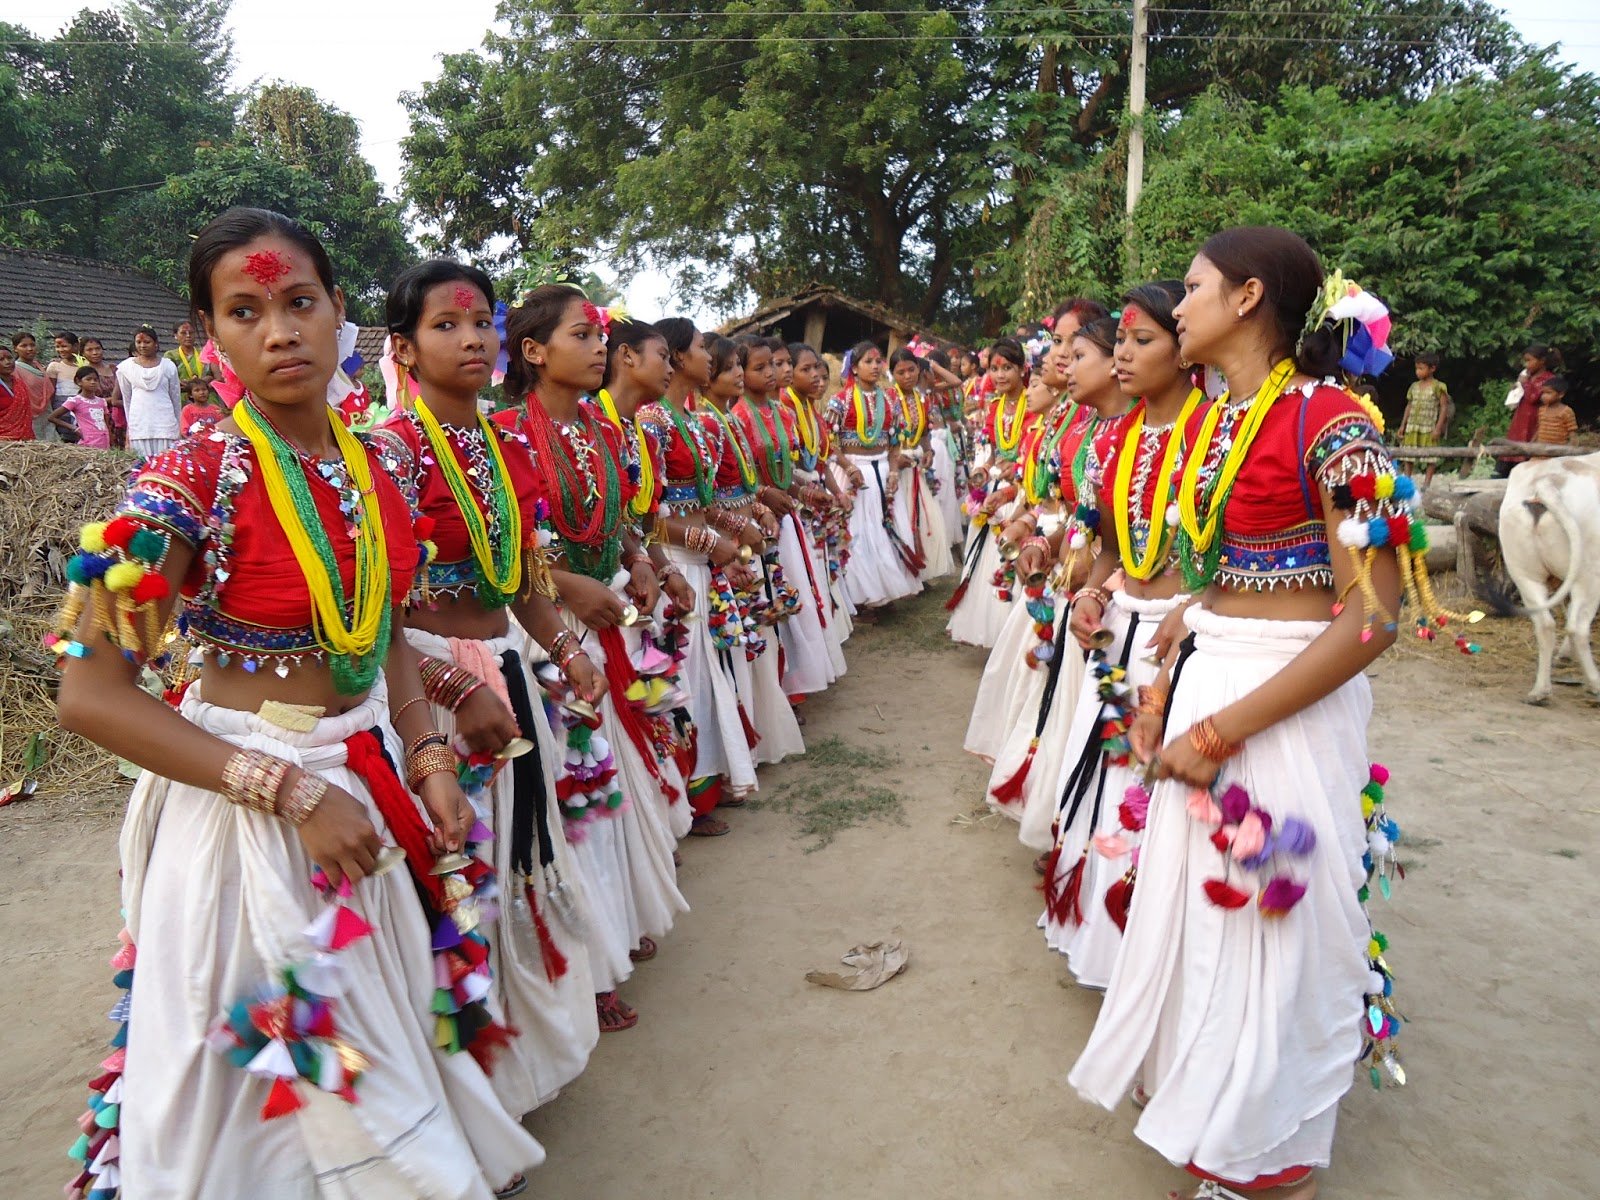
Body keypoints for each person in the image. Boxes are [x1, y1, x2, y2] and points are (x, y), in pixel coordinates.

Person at [53, 206, 544, 1199]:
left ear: (341, 317)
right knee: (249, 1093)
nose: (277, 330)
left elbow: (379, 637)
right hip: (250, 812)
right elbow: (90, 694)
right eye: (243, 311)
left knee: (376, 1032)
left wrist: (428, 751)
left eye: (297, 302)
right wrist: (287, 790)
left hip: (364, 786)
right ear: (209, 336)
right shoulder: (186, 482)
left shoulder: (380, 464)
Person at [1068, 226, 1433, 1200]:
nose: (1173, 308)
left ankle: (1269, 1157)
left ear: (1245, 298)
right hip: (1212, 680)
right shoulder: (1216, 421)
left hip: (1283, 705)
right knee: (1213, 926)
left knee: (1283, 935)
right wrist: (1167, 686)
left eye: (1189, 290)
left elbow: (1373, 617)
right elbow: (1217, 580)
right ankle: (1224, 1124)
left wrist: (1221, 730)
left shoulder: (1333, 422)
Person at [371, 259, 609, 1118]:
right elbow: (375, 621)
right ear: (403, 346)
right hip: (428, 691)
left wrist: (564, 643)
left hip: (504, 666)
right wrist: (447, 686)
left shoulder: (505, 444)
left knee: (516, 858)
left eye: (482, 324)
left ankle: (521, 1060)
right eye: (446, 325)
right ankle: (468, 1098)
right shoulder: (384, 455)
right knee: (455, 879)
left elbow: (522, 576)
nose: (472, 338)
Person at [494, 284, 688, 1035]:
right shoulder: (506, 433)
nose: (598, 346)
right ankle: (591, 962)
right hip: (544, 637)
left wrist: (637, 558)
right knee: (572, 799)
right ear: (535, 352)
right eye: (583, 335)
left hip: (606, 624)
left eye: (598, 335)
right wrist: (566, 585)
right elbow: (503, 552)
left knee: (615, 792)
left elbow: (626, 522)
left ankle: (618, 926)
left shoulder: (610, 434)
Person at [1043, 283, 1203, 987]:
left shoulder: (1217, 431)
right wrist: (1089, 590)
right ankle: (1108, 948)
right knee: (1112, 790)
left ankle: (1156, 967)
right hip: (1119, 630)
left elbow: (1229, 560)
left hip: (1182, 644)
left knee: (1163, 804)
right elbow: (1109, 545)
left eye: (1144, 343)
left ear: (1185, 349)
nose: (1124, 358)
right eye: (1124, 344)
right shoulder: (1121, 438)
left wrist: (1190, 610)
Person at [644, 318, 762, 836]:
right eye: (697, 348)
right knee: (682, 683)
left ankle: (704, 790)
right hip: (673, 565)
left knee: (704, 678)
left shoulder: (692, 422)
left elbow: (704, 502)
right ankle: (684, 801)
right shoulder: (652, 422)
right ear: (673, 356)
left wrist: (735, 533)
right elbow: (645, 515)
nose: (708, 357)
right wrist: (707, 543)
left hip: (700, 564)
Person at [733, 335, 845, 700]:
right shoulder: (737, 418)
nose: (771, 373)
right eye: (760, 367)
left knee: (795, 593)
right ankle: (780, 690)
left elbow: (787, 470)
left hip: (788, 519)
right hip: (758, 522)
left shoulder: (783, 412)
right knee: (770, 598)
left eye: (775, 365)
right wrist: (765, 495)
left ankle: (798, 681)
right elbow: (738, 481)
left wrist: (805, 492)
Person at [946, 336, 1033, 648]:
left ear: (1023, 370)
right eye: (995, 368)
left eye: (1007, 367)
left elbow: (1032, 455)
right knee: (986, 560)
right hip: (995, 487)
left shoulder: (1034, 405)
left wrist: (1014, 478)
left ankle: (1008, 637)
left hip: (1021, 492)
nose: (1000, 375)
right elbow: (995, 452)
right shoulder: (994, 406)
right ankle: (986, 630)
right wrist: (982, 471)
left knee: (1008, 558)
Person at [825, 340, 922, 612]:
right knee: (857, 533)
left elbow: (895, 442)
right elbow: (830, 443)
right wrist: (848, 466)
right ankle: (862, 597)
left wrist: (893, 470)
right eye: (868, 362)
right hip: (854, 472)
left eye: (878, 361)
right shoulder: (840, 401)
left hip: (881, 470)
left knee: (884, 528)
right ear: (854, 368)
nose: (875, 366)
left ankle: (884, 592)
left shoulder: (890, 399)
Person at [117, 325, 182, 458]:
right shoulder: (126, 368)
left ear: (156, 344)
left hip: (165, 424)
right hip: (140, 425)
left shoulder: (168, 366)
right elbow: (127, 399)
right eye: (139, 342)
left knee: (166, 464)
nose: (142, 346)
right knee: (141, 467)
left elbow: (175, 398)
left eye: (147, 342)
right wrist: (131, 428)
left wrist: (178, 426)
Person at [1498, 343, 1559, 477]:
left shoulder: (1549, 379)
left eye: (1529, 360)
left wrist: (1525, 383)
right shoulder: (1528, 377)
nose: (1526, 365)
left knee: (1527, 454)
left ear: (1542, 361)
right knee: (1510, 451)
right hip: (1520, 418)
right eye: (1525, 361)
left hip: (1534, 421)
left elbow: (1533, 397)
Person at [1398, 351, 1450, 487]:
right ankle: (1407, 481)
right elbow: (1409, 406)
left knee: (1430, 456)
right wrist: (1403, 425)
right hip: (1413, 425)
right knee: (1408, 455)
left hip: (1429, 426)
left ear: (1432, 368)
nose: (1418, 372)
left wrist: (1438, 428)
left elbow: (1444, 407)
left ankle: (1426, 484)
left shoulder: (1438, 387)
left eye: (1421, 368)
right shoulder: (1414, 387)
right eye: (1416, 368)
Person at [49, 365, 112, 449]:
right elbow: (52, 417)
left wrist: (109, 437)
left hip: (104, 441)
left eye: (96, 380)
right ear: (79, 382)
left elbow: (106, 422)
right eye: (88, 379)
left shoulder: (101, 402)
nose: (93, 382)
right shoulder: (75, 401)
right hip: (87, 442)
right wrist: (74, 428)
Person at [11, 331, 55, 442]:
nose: (30, 349)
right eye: (24, 346)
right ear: (15, 348)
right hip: (28, 414)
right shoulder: (14, 369)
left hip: (46, 413)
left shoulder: (38, 366)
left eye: (32, 345)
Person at [81, 337, 125, 448]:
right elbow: (86, 399)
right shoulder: (84, 373)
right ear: (82, 353)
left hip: (120, 414)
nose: (95, 353)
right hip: (98, 417)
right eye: (89, 350)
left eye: (98, 349)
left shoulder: (114, 369)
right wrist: (113, 400)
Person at [0, 344, 35, 441]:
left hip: (25, 439)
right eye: (1, 360)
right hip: (3, 441)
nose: (8, 362)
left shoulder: (19, 383)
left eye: (10, 358)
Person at [1534, 375, 1578, 446]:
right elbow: (1539, 429)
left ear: (1561, 394)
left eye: (1548, 393)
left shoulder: (1567, 412)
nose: (1544, 396)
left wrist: (1569, 451)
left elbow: (1573, 435)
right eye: (1543, 393)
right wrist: (1531, 444)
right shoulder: (1542, 410)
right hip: (1540, 451)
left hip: (1557, 452)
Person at [166, 318, 209, 383]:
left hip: (203, 391)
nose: (188, 336)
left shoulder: (204, 353)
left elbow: (213, 376)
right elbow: (169, 378)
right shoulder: (171, 355)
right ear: (175, 336)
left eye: (191, 333)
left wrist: (198, 382)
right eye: (183, 333)